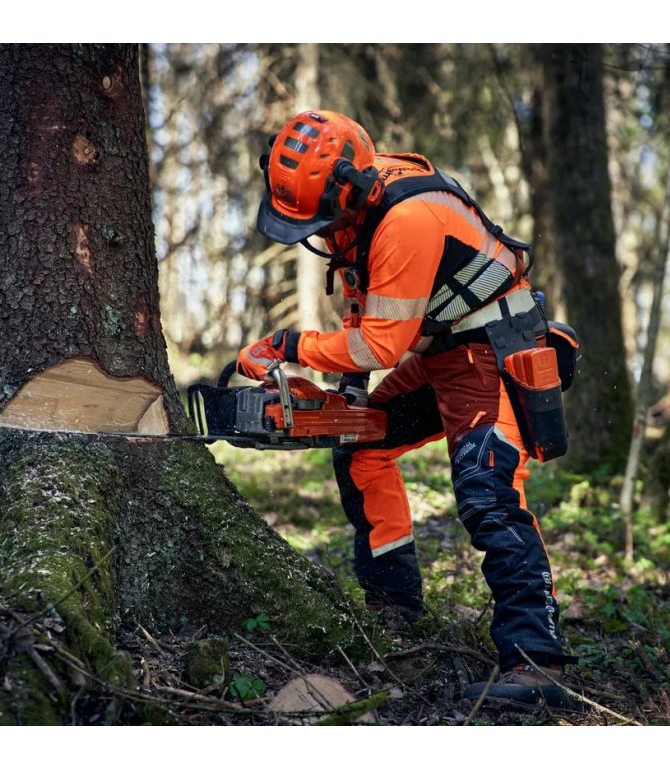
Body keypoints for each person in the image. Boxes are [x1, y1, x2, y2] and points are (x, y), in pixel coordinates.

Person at [237, 109, 578, 709]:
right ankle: (395, 609)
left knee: (489, 493)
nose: (321, 232)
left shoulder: (406, 220)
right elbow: (364, 307)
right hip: (444, 352)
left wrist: (290, 346)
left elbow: (379, 345)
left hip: (494, 350)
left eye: (323, 219)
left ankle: (536, 663)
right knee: (361, 448)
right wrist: (349, 396)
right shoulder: (353, 212)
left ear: (349, 190)